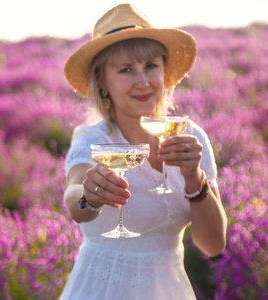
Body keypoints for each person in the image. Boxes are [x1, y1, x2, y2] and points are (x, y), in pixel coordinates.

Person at [61, 4, 227, 300]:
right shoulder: (93, 139)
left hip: (169, 290)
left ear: (165, 71)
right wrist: (90, 196)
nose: (143, 82)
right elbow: (76, 202)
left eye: (151, 66)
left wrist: (194, 178)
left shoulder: (190, 137)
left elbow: (213, 245)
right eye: (126, 70)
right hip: (102, 290)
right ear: (103, 83)